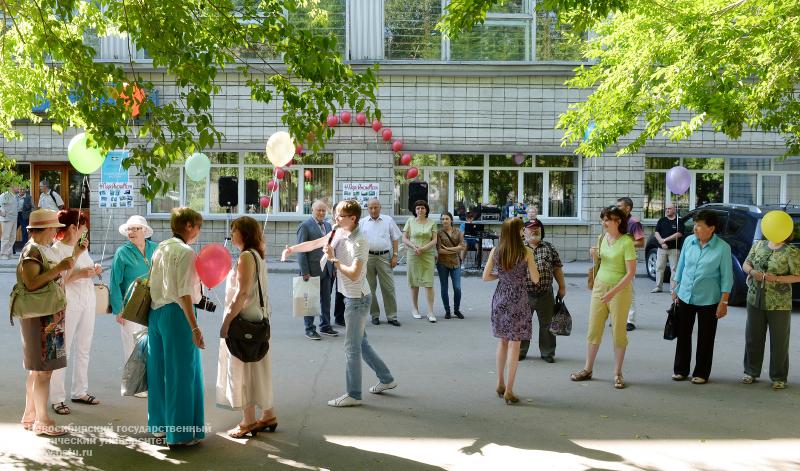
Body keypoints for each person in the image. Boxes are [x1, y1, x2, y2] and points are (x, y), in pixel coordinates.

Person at [284, 200, 396, 407]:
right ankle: (387, 379)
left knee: (351, 347)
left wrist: (334, 260)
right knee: (361, 344)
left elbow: (354, 274)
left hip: (358, 300)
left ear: (352, 219)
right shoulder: (339, 232)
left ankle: (353, 394)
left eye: (339, 215)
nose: (334, 218)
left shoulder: (360, 241)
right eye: (334, 214)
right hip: (350, 298)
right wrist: (292, 249)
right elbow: (315, 243)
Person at [17, 209, 79, 436]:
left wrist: (69, 260)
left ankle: (30, 414)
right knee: (43, 371)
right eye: (54, 227)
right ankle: (42, 421)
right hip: (41, 317)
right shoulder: (32, 250)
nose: (57, 231)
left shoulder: (40, 249)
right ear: (45, 229)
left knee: (37, 370)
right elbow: (31, 283)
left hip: (47, 316)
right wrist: (59, 268)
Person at [147, 207, 206, 447]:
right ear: (189, 226)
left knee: (159, 371)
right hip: (177, 314)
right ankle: (180, 434)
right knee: (182, 374)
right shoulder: (186, 252)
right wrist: (195, 328)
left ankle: (160, 428)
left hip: (156, 312)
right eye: (198, 226)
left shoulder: (161, 247)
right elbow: (184, 294)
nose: (199, 231)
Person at [217, 216, 278, 437]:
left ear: (244, 233)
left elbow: (241, 294)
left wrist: (226, 323)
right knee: (257, 368)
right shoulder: (257, 255)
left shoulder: (245, 256)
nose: (231, 234)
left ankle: (248, 421)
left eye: (234, 230)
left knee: (241, 370)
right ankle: (268, 414)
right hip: (258, 318)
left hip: (243, 319)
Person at [570, 206, 636, 389]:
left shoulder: (626, 242)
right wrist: (595, 256)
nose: (604, 223)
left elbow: (631, 273)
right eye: (603, 219)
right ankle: (587, 369)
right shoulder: (602, 238)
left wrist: (613, 292)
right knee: (594, 328)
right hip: (600, 286)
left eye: (607, 219)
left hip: (619, 291)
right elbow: (601, 262)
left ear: (618, 221)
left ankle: (617, 373)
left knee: (618, 332)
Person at [49, 209, 103, 415]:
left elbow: (85, 269)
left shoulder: (81, 247)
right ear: (73, 228)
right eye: (83, 227)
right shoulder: (57, 250)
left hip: (87, 300)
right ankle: (57, 398)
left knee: (84, 348)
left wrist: (94, 269)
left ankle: (80, 390)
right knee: (64, 350)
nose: (86, 232)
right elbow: (60, 280)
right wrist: (80, 273)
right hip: (68, 302)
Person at [671, 210, 733, 384]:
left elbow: (727, 278)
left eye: (699, 225)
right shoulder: (689, 242)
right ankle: (680, 369)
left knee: (706, 337)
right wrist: (675, 287)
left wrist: (724, 302)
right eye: (695, 224)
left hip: (709, 299)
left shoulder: (722, 248)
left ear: (711, 228)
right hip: (685, 296)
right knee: (683, 334)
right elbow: (681, 266)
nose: (695, 229)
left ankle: (702, 372)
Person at [482, 218, 540, 404]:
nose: (524, 231)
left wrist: (503, 275)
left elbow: (486, 276)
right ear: (517, 232)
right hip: (519, 298)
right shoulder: (526, 252)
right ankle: (509, 389)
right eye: (522, 229)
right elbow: (536, 279)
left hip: (501, 296)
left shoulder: (496, 251)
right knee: (515, 344)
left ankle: (499, 382)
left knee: (503, 341)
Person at [741, 236, 800, 390]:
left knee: (779, 342)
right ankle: (750, 371)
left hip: (779, 303)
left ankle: (779, 377)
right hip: (755, 298)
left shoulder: (791, 251)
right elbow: (746, 264)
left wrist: (777, 279)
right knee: (753, 337)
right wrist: (753, 272)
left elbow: (797, 275)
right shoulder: (759, 245)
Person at [109, 215, 158, 396]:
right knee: (132, 346)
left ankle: (150, 381)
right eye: (129, 229)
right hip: (131, 305)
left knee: (152, 344)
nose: (131, 232)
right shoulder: (122, 252)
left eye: (136, 228)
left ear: (145, 231)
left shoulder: (156, 248)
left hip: (154, 302)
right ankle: (134, 385)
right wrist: (118, 310)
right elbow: (114, 282)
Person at [519, 219, 566, 363]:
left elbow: (557, 268)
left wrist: (562, 287)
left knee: (547, 325)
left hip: (546, 293)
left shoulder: (549, 248)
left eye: (537, 228)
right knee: (522, 323)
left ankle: (547, 353)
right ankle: (520, 351)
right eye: (530, 228)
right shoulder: (519, 248)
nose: (534, 231)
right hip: (524, 293)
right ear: (524, 232)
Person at [296, 200, 338, 340]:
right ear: (312, 210)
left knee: (326, 299)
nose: (321, 213)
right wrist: (305, 271)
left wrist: (333, 267)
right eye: (318, 210)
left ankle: (325, 326)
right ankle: (309, 329)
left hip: (327, 269)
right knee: (309, 301)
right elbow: (301, 250)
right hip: (311, 270)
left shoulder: (328, 225)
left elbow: (331, 247)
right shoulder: (305, 226)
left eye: (323, 210)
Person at [360, 198, 402, 326]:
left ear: (380, 207)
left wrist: (395, 256)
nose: (373, 210)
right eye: (370, 208)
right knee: (370, 289)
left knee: (388, 288)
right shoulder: (362, 222)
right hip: (368, 257)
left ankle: (392, 316)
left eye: (375, 207)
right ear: (367, 208)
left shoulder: (388, 220)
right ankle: (375, 315)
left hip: (385, 257)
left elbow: (395, 239)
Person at [402, 200, 438, 322]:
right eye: (418, 208)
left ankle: (430, 312)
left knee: (429, 283)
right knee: (414, 282)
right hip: (413, 254)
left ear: (426, 210)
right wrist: (414, 247)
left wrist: (423, 248)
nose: (420, 210)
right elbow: (404, 238)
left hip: (427, 254)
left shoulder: (432, 222)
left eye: (422, 208)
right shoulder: (410, 221)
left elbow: (434, 240)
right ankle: (415, 308)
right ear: (415, 210)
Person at [616, 197, 644, 331]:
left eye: (620, 206)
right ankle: (619, 318)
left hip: (629, 260)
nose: (617, 208)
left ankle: (630, 320)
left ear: (628, 208)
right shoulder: (618, 221)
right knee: (616, 290)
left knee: (629, 290)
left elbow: (641, 242)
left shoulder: (634, 222)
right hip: (616, 260)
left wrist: (624, 244)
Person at [436, 211, 466, 319]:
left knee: (457, 288)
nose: (444, 221)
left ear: (451, 220)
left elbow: (462, 246)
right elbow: (439, 250)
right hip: (442, 263)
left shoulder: (458, 232)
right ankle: (447, 311)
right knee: (444, 288)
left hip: (455, 263)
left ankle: (456, 310)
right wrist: (455, 249)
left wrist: (448, 249)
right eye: (443, 219)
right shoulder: (439, 233)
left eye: (447, 219)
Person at [652, 204, 683, 293]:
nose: (667, 210)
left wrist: (664, 240)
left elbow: (679, 234)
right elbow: (656, 232)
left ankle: (673, 289)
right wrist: (661, 242)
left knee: (674, 269)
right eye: (666, 209)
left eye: (669, 209)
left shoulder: (678, 221)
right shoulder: (662, 220)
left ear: (674, 209)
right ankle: (658, 287)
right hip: (661, 248)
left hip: (674, 249)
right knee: (659, 267)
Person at [0, 183, 19, 259]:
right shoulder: (5, 195)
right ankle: (3, 254)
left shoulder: (15, 196)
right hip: (6, 219)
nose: (19, 187)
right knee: (6, 237)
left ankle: (8, 253)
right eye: (17, 186)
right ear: (12, 186)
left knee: (13, 237)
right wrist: (1, 212)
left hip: (14, 218)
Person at [17, 184, 33, 250]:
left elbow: (33, 207)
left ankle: (25, 248)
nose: (22, 191)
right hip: (15, 215)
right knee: (12, 231)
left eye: (24, 189)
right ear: (18, 190)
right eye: (21, 189)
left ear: (26, 190)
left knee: (24, 231)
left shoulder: (29, 197)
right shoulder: (15, 197)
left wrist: (30, 215)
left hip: (25, 216)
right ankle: (11, 250)